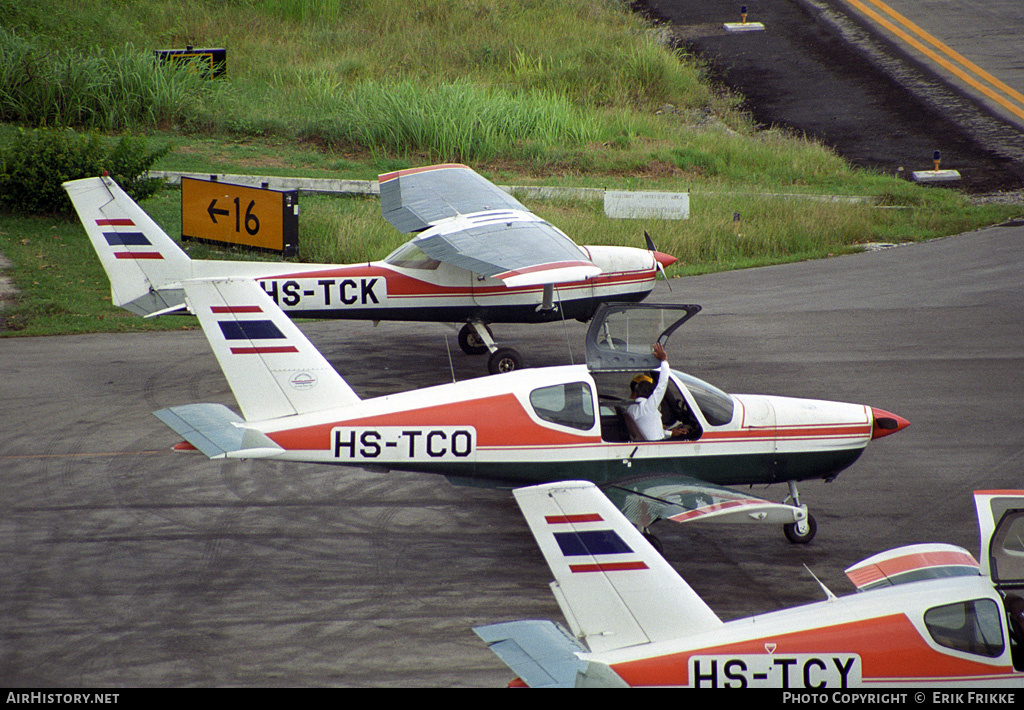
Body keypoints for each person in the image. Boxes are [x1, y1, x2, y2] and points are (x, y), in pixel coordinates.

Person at [626, 343, 694, 441]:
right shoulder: (648, 406)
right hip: (657, 445)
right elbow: (662, 384)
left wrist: (671, 433)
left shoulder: (631, 408)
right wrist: (664, 360)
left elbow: (648, 430)